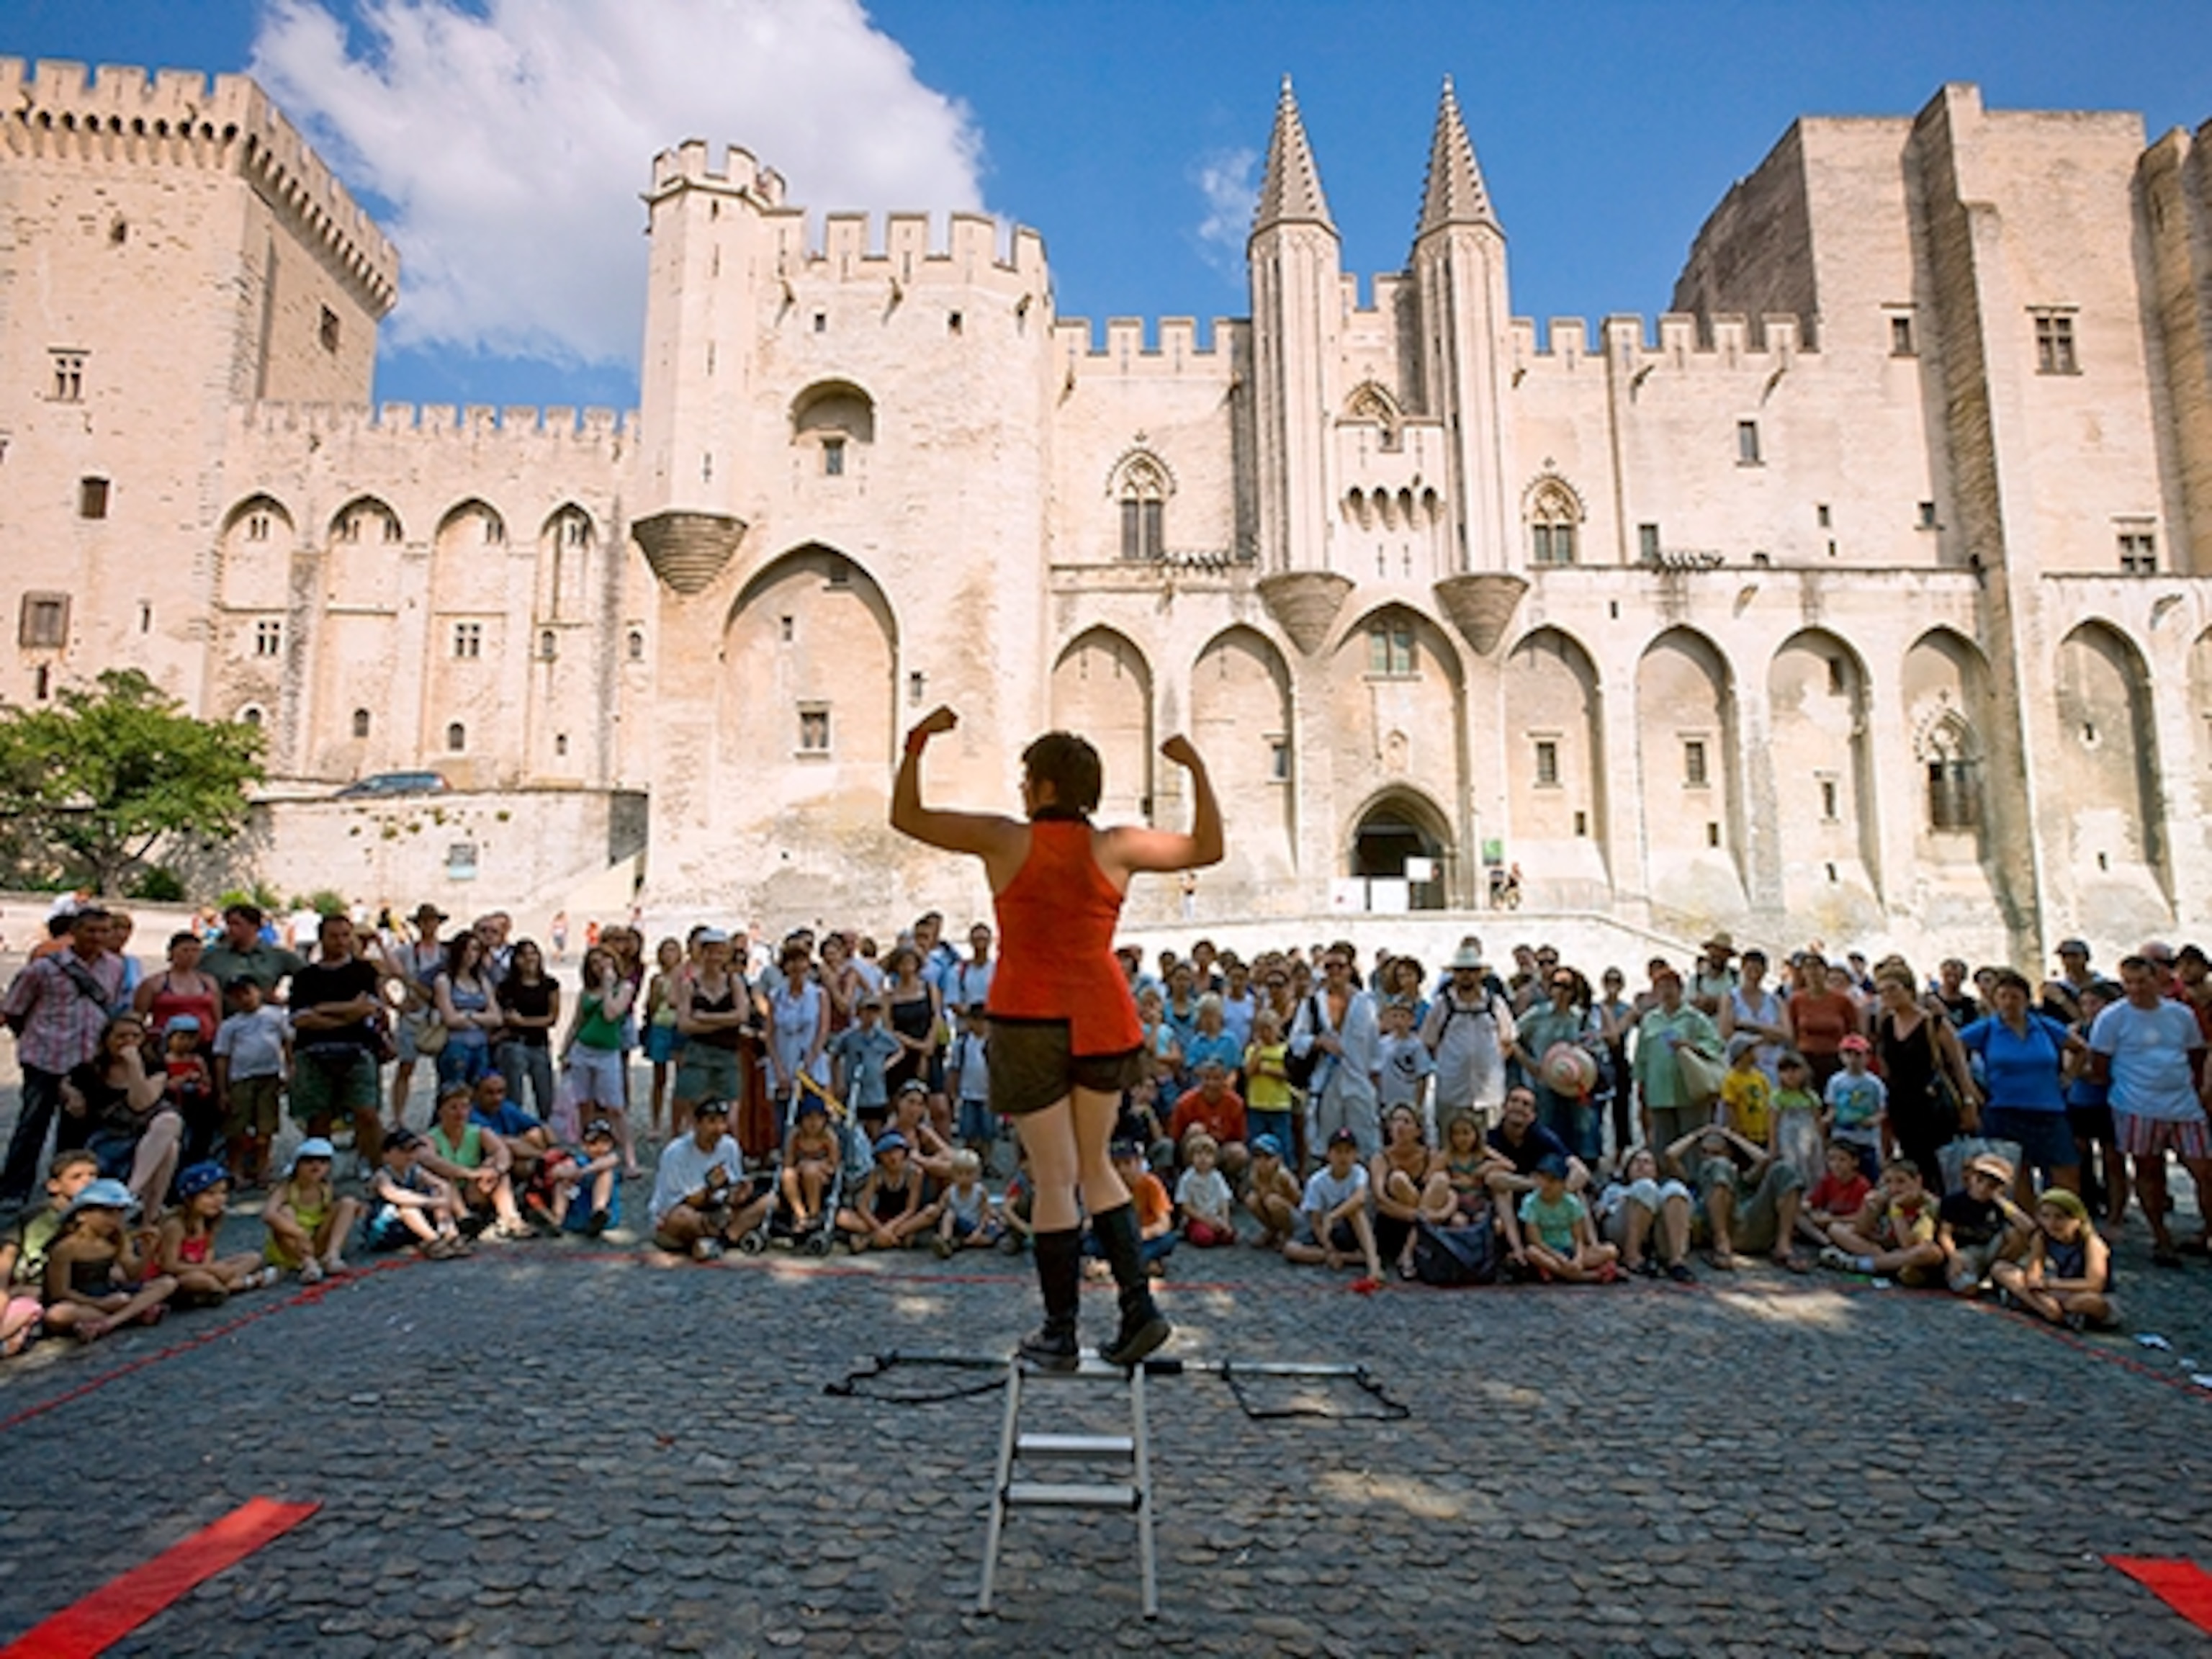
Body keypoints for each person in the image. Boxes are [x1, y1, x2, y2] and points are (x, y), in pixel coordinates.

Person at [890, 709, 1220, 1370]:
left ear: (1040, 786)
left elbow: (910, 817)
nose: (1020, 790)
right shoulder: (1117, 845)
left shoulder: (1005, 840)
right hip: (1102, 1016)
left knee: (1054, 1177)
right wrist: (1196, 768)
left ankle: (1059, 1332)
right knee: (1097, 1167)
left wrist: (916, 745)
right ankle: (1139, 1311)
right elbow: (1207, 848)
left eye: (1025, 780)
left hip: (1028, 1016)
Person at [2088, 954, 2212, 1267]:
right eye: (2129, 983)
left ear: (2156, 980)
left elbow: (2196, 1053)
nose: (2136, 989)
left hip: (2182, 1102)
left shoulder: (2180, 1015)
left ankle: (2207, 1231)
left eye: (2142, 982)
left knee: (2204, 1169)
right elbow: (2100, 1063)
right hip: (2136, 1104)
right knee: (2149, 1170)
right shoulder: (2112, 1018)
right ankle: (2161, 1236)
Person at [1, 905, 125, 1211]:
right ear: (75, 932)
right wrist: (32, 1039)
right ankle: (14, 1190)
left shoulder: (114, 966)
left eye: (104, 931)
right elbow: (15, 1009)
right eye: (91, 931)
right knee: (32, 1125)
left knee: (77, 1129)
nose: (97, 938)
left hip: (86, 1059)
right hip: (47, 1055)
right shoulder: (44, 968)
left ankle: (67, 1189)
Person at [1955, 968, 2079, 1205]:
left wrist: (2069, 1076)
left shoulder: (2044, 1027)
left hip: (2049, 1109)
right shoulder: (1987, 1028)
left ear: (2026, 999)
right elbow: (1953, 1047)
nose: (2009, 1003)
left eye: (2015, 997)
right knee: (2018, 1176)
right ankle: (2030, 1232)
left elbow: (2081, 1049)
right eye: (2003, 997)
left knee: (2066, 1173)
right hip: (2004, 1110)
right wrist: (1969, 1087)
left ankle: (2065, 1227)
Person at [58, 1012, 184, 1219]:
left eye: (135, 1037)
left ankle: (133, 1196)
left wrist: (135, 1066)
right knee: (169, 1147)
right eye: (121, 1037)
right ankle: (145, 1211)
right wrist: (70, 1093)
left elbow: (141, 1103)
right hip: (108, 1140)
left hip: (146, 1139)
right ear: (107, 1040)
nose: (128, 1042)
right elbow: (66, 1083)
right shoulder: (91, 1070)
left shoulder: (154, 1067)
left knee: (170, 1128)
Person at [288, 913, 389, 1169]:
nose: (341, 942)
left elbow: (370, 1009)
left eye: (346, 935)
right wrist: (347, 1013)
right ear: (321, 939)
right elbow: (300, 1019)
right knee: (318, 1117)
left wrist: (322, 1009)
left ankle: (376, 1167)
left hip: (358, 1049)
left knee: (366, 1113)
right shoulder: (305, 976)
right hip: (313, 1053)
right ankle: (318, 1171)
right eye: (334, 936)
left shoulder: (364, 972)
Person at [1871, 966, 1979, 1193]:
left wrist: (1969, 1102)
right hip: (1902, 1103)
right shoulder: (1887, 1025)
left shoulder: (1935, 1023)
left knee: (1940, 1163)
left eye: (1893, 989)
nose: (1888, 996)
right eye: (1882, 992)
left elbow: (1960, 1066)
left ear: (1909, 989)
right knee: (1912, 1162)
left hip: (1932, 1103)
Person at [41, 1178, 177, 1341]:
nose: (115, 1220)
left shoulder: (117, 1239)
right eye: (108, 1213)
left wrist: (148, 1252)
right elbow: (60, 1292)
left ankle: (110, 1322)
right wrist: (99, 1303)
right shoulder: (66, 1248)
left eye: (120, 1213)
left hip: (109, 1293)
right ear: (82, 1215)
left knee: (167, 1283)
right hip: (81, 1300)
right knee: (57, 1315)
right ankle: (133, 1314)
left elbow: (133, 1274)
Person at [1665, 1123, 1807, 1274]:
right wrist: (1698, 1134)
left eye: (1716, 1152)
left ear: (1728, 1153)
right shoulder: (1696, 1178)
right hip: (1718, 1227)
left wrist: (1731, 1136)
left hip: (1751, 1224)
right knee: (1718, 1167)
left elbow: (1764, 1160)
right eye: (1705, 1152)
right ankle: (1721, 1242)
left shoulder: (1742, 1177)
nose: (1709, 1158)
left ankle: (1783, 1245)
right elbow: (1670, 1155)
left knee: (1784, 1170)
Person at [0, 1151, 100, 1353]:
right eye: (77, 1177)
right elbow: (9, 1251)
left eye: (93, 1176)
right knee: (45, 1309)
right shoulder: (38, 1217)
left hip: (73, 1285)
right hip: (35, 1285)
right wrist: (4, 1289)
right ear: (54, 1186)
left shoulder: (99, 1213)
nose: (88, 1182)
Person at [1292, 945, 1383, 1159]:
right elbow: (1296, 1041)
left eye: (1340, 966)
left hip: (1359, 1082)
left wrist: (1377, 1090)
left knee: (1365, 1144)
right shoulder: (1313, 1003)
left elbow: (1375, 1051)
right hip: (1325, 1082)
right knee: (1325, 1144)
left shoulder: (1366, 1004)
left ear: (1350, 969)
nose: (1334, 971)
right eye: (1329, 966)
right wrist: (1318, 1042)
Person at [649, 1099, 770, 1259]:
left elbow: (732, 1189)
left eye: (723, 1122)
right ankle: (729, 1235)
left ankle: (721, 1240)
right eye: (712, 1122)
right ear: (697, 1124)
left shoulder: (730, 1146)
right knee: (684, 1219)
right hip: (683, 1213)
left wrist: (740, 1194)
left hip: (719, 1212)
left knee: (769, 1200)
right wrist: (711, 1188)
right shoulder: (676, 1153)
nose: (719, 1129)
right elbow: (680, 1202)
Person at [1421, 944, 1516, 1137]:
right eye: (1461, 971)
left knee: (1490, 1141)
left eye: (1471, 971)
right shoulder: (1442, 1005)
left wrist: (1493, 1063)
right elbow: (1429, 1041)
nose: (1466, 975)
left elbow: (1508, 1040)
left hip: (1489, 1092)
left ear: (1480, 974)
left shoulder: (1495, 1003)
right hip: (1452, 1090)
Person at [154, 1163, 279, 1305]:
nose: (219, 1199)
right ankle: (246, 1283)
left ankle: (219, 1287)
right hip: (179, 1276)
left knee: (253, 1258)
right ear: (189, 1198)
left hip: (202, 1268)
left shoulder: (211, 1220)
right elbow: (169, 1266)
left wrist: (212, 1268)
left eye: (223, 1193)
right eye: (210, 1194)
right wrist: (209, 1270)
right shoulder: (176, 1226)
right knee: (200, 1280)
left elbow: (208, 1249)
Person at [561, 946, 639, 1175]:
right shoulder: (585, 992)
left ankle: (629, 1157)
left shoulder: (624, 988)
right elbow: (577, 1023)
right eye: (594, 963)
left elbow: (611, 1013)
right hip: (583, 1049)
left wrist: (608, 985)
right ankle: (589, 1150)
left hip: (608, 1053)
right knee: (584, 1104)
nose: (600, 966)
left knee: (615, 1107)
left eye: (604, 960)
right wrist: (565, 1051)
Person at [1992, 1189, 2116, 1330]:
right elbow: (2034, 1270)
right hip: (2056, 1291)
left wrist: (2050, 1284)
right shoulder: (2042, 1237)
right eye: (2045, 1216)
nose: (2052, 1223)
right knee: (2001, 1269)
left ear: (2077, 1220)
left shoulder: (2092, 1243)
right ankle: (2050, 1310)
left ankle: (2035, 1305)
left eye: (2059, 1218)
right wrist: (2034, 1282)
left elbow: (2095, 1284)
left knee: (2080, 1302)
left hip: (2086, 1293)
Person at [213, 976, 290, 1187]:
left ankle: (262, 1168)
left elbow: (287, 1043)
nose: (244, 999)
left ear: (259, 992)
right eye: (237, 996)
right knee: (237, 1128)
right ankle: (236, 1169)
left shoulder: (275, 1016)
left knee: (266, 1127)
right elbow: (222, 1057)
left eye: (247, 992)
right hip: (241, 1078)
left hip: (269, 1075)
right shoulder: (230, 1026)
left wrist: (290, 1070)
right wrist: (222, 1090)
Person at [1632, 966, 1722, 1150]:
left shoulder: (1695, 1018)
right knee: (1663, 1142)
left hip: (1689, 1089)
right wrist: (1641, 1084)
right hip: (1659, 1091)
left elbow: (1716, 1044)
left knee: (1692, 1140)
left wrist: (1692, 1046)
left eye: (1670, 986)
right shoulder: (1650, 1020)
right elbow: (1641, 1056)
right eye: (1661, 987)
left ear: (1680, 989)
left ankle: (1693, 1177)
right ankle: (1666, 1177)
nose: (1666, 992)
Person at [421, 1086, 527, 1240]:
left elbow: (503, 1153)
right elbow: (433, 1162)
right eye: (453, 1108)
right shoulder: (429, 1138)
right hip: (447, 1194)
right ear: (441, 1111)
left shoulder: (479, 1132)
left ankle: (511, 1219)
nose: (460, 1113)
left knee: (499, 1175)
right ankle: (463, 1218)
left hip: (476, 1189)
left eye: (464, 1107)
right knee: (443, 1178)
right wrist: (471, 1173)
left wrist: (495, 1170)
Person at [1282, 1128, 1384, 1283]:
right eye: (1338, 1152)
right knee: (1291, 1249)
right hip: (1325, 1232)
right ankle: (1351, 1258)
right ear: (1329, 1155)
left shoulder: (1359, 1172)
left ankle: (1373, 1264)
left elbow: (1359, 1199)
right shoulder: (1317, 1181)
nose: (1343, 1157)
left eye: (1348, 1152)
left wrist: (1333, 1215)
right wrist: (1330, 1250)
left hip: (1351, 1227)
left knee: (1355, 1211)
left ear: (1355, 1155)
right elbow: (1315, 1222)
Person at [1820, 1157, 1943, 1286]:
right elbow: (1860, 1231)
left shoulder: (1929, 1204)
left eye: (1901, 1182)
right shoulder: (1885, 1197)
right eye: (1888, 1182)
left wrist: (1896, 1210)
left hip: (1912, 1254)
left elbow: (1907, 1244)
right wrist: (1868, 1208)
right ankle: (1887, 1264)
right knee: (1835, 1229)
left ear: (1917, 1181)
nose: (1894, 1188)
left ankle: (1858, 1264)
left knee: (1929, 1252)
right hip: (1887, 1252)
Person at [262, 1137, 361, 1282]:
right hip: (291, 1244)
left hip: (315, 1240)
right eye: (309, 1161)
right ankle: (307, 1263)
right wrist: (299, 1233)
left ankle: (332, 1255)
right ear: (297, 1165)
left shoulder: (325, 1187)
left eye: (323, 1162)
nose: (316, 1166)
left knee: (348, 1203)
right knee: (285, 1212)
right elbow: (268, 1214)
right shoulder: (287, 1188)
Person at [364, 1127, 469, 1259]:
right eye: (403, 1150)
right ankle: (433, 1241)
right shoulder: (382, 1176)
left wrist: (443, 1197)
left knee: (437, 1194)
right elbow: (396, 1195)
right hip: (385, 1230)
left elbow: (441, 1184)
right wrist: (431, 1202)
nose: (409, 1155)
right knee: (408, 1208)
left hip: (409, 1228)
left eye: (413, 1150)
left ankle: (451, 1236)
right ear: (387, 1155)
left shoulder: (415, 1170)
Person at [1936, 1152, 2032, 1295]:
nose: (1984, 1187)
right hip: (1966, 1252)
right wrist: (1954, 1256)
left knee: (2014, 1234)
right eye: (1980, 1180)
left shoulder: (2001, 1205)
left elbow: (2028, 1227)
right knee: (1967, 1288)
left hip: (1992, 1249)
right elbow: (1945, 1233)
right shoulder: (1954, 1202)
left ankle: (1997, 1275)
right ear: (1970, 1178)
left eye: (1992, 1184)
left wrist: (2001, 1200)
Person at [1594, 1146, 1695, 1281]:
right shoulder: (1615, 1189)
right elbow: (1599, 1214)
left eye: (1647, 1162)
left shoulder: (1663, 1191)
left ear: (1656, 1170)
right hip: (1621, 1231)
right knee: (1645, 1187)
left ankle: (1677, 1260)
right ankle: (1632, 1256)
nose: (1641, 1165)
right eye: (1636, 1162)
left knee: (1675, 1189)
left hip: (1656, 1235)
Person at [1517, 1153, 1620, 1283]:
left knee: (1611, 1251)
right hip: (1547, 1251)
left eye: (1552, 1181)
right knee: (1532, 1252)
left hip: (1569, 1248)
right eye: (1543, 1179)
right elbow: (1535, 1240)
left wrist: (1577, 1258)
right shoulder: (1531, 1203)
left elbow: (1578, 1238)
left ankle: (1561, 1272)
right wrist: (1559, 1257)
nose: (1546, 1185)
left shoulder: (1571, 1203)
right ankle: (1582, 1276)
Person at [493, 939, 562, 1122]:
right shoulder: (506, 986)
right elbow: (505, 1016)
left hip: (539, 1043)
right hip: (514, 1043)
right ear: (516, 959)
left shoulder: (550, 984)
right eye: (524, 954)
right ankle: (513, 1129)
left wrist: (523, 1022)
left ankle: (549, 1131)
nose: (529, 958)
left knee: (546, 1094)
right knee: (513, 1094)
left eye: (533, 953)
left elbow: (552, 1018)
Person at [836, 1130, 937, 1254]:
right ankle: (895, 1239)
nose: (892, 1157)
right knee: (842, 1217)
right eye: (887, 1153)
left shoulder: (914, 1173)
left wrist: (889, 1228)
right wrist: (879, 1228)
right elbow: (863, 1207)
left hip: (903, 1220)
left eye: (896, 1151)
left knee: (931, 1212)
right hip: (881, 1218)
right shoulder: (877, 1173)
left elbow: (911, 1209)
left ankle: (870, 1240)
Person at [831, 994, 903, 1140]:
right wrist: (838, 1081)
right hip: (853, 1091)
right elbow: (834, 1056)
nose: (870, 1016)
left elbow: (900, 1050)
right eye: (867, 1011)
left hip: (875, 1092)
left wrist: (887, 1065)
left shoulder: (883, 1037)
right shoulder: (849, 1036)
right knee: (852, 1128)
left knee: (875, 1129)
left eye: (874, 1012)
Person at [1821, 1035, 1887, 1182]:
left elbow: (1882, 1110)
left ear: (1867, 1057)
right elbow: (1831, 1107)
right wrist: (1826, 1121)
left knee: (1869, 1176)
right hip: (1842, 1137)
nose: (1853, 1059)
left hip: (1866, 1139)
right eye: (1848, 1054)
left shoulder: (1875, 1083)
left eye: (1858, 1054)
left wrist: (1873, 1120)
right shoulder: (1835, 1081)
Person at [778, 1092, 841, 1233]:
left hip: (821, 1177)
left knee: (811, 1171)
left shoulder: (828, 1137)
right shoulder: (795, 1136)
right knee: (787, 1175)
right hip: (799, 1174)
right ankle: (800, 1214)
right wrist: (796, 1167)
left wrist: (819, 1166)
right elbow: (788, 1162)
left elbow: (834, 1165)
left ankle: (814, 1213)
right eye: (809, 1118)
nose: (813, 1123)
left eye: (818, 1118)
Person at [642, 937, 686, 1136]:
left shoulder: (686, 978)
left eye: (673, 950)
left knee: (682, 1077)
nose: (670, 955)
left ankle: (680, 1121)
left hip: (679, 1026)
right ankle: (656, 1122)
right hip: (661, 1025)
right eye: (666, 950)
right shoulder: (657, 979)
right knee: (659, 1078)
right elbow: (651, 1006)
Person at [1794, 1143, 1874, 1253]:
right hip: (1827, 1221)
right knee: (1796, 1214)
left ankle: (1830, 1244)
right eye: (1832, 1159)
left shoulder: (1862, 1185)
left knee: (1835, 1229)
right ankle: (1825, 1242)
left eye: (1842, 1160)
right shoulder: (1828, 1180)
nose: (1836, 1164)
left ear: (1855, 1162)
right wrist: (1803, 1207)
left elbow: (1862, 1218)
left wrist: (1830, 1220)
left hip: (1848, 1226)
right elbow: (1812, 1202)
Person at [549, 1120, 623, 1238]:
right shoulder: (578, 1161)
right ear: (584, 1146)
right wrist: (569, 1173)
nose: (600, 1147)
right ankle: (557, 1218)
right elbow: (555, 1171)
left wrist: (583, 1172)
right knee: (563, 1181)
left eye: (605, 1142)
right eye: (594, 1143)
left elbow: (608, 1162)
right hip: (577, 1216)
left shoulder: (611, 1159)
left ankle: (598, 1211)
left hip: (608, 1219)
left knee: (605, 1173)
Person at [945, 1002, 996, 1164]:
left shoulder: (994, 1043)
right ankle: (969, 1161)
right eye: (976, 1020)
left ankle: (987, 1161)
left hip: (989, 1094)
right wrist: (952, 1091)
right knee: (968, 1130)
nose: (980, 1024)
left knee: (988, 1131)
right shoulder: (963, 1043)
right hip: (968, 1093)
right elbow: (955, 1068)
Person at [932, 1148, 1004, 1257]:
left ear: (977, 1174)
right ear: (954, 1175)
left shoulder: (980, 1191)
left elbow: (986, 1213)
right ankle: (945, 1240)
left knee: (989, 1238)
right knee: (949, 1214)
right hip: (959, 1223)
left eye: (969, 1174)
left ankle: (959, 1243)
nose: (964, 1178)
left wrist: (979, 1230)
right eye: (960, 1174)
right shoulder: (950, 1191)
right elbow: (939, 1208)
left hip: (975, 1223)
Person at [1174, 1133, 1237, 1248]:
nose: (1203, 1158)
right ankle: (1194, 1233)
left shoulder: (1216, 1176)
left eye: (1208, 1155)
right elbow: (1185, 1206)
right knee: (1204, 1238)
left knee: (1229, 1235)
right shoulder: (1187, 1178)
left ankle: (1215, 1233)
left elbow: (1224, 1199)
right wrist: (1205, 1220)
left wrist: (1225, 1221)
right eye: (1198, 1154)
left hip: (1214, 1216)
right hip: (1197, 1218)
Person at [1241, 1133, 1302, 1250]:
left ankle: (1287, 1234)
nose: (1262, 1162)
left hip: (1294, 1215)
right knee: (1251, 1199)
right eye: (1258, 1157)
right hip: (1271, 1208)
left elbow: (1297, 1200)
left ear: (1278, 1159)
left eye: (1268, 1157)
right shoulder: (1254, 1174)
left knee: (1272, 1201)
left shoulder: (1283, 1176)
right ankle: (1272, 1230)